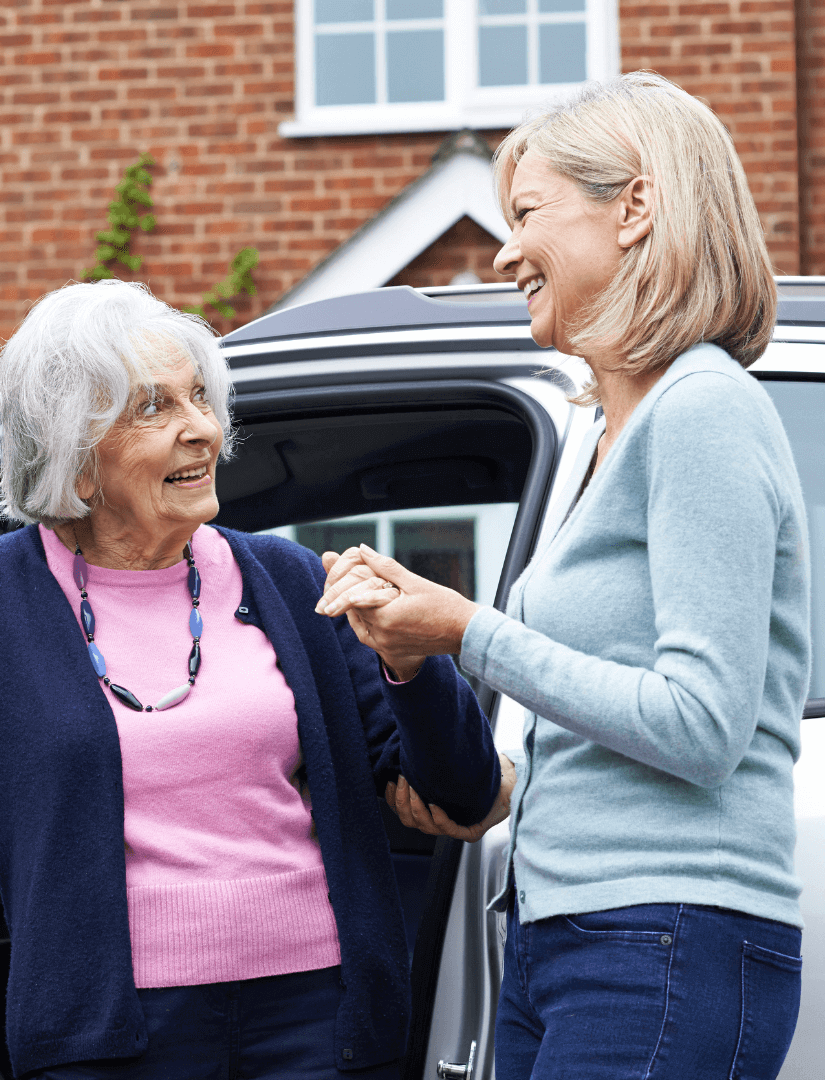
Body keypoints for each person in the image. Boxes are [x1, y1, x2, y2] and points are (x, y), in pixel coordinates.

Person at [0, 278, 512, 1079]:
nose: (202, 431)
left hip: (320, 1020)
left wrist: (410, 660)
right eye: (154, 408)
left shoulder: (288, 581)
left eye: (199, 399)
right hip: (107, 1039)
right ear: (74, 450)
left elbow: (460, 792)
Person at [318, 72, 810, 1079]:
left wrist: (468, 632)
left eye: (528, 214)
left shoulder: (702, 410)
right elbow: (624, 721)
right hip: (576, 935)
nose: (502, 252)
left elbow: (702, 724)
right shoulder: (608, 436)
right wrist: (507, 786)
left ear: (634, 206)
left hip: (664, 935)